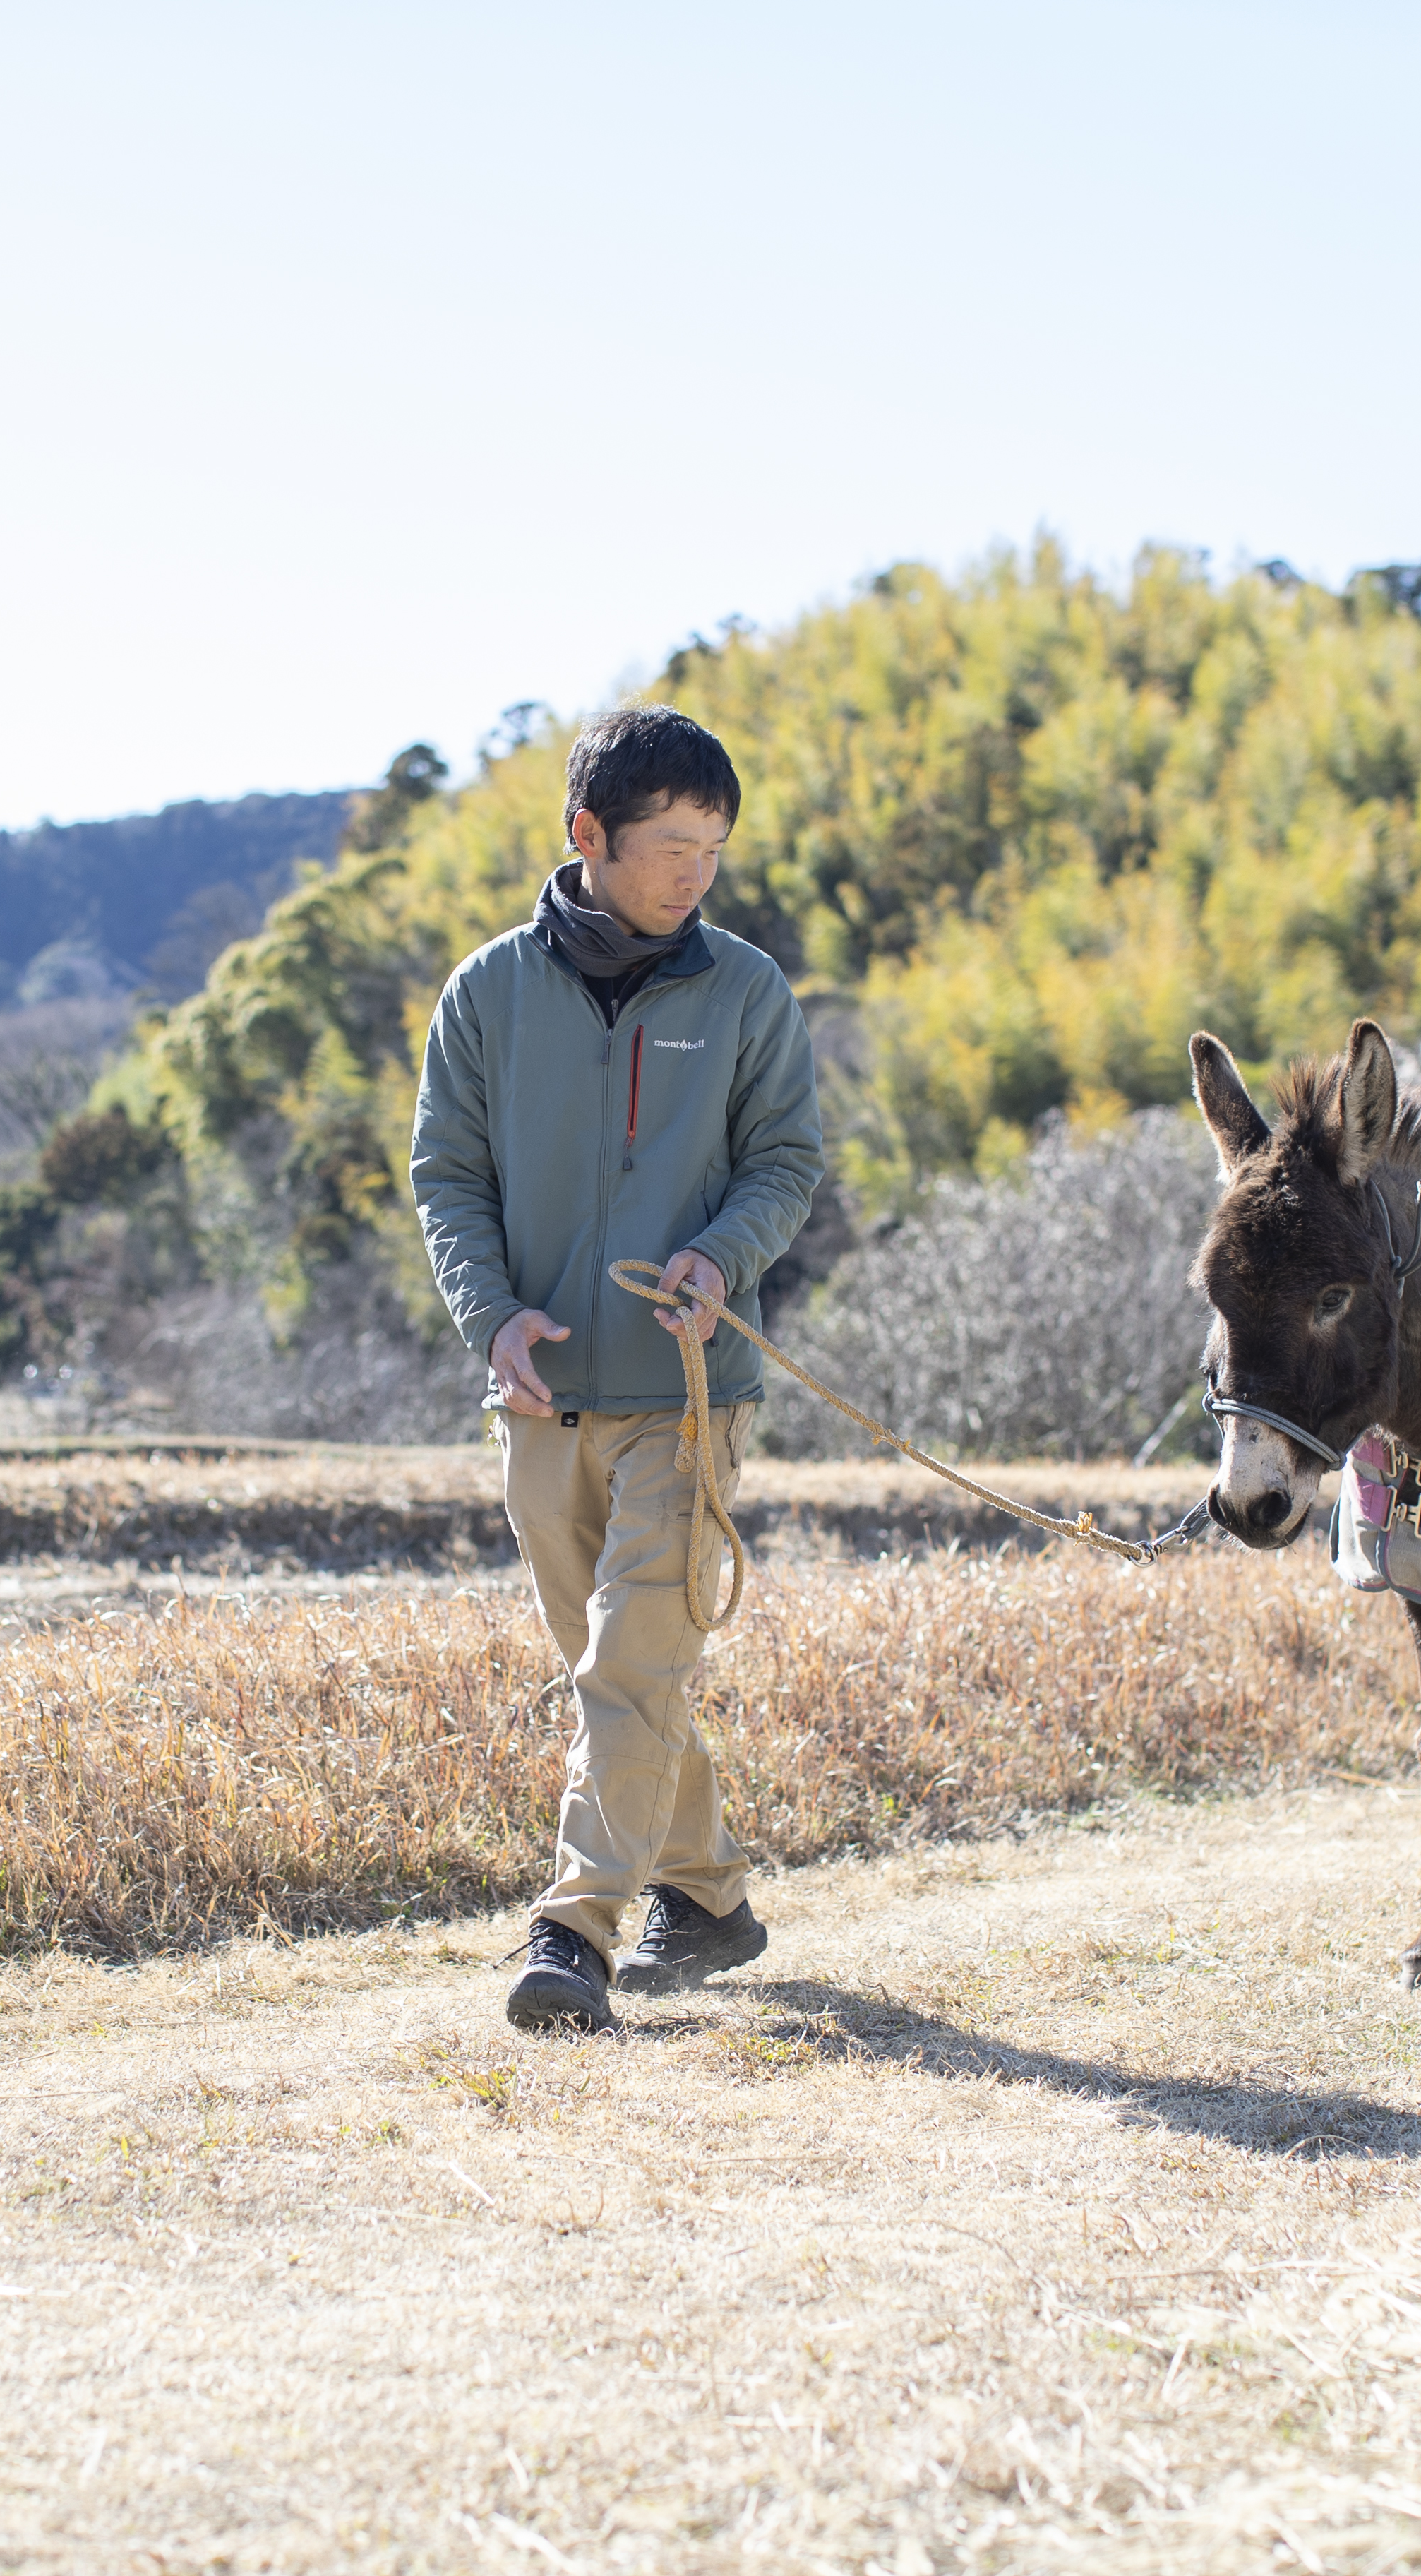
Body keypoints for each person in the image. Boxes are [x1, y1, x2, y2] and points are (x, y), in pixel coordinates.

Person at [409, 705, 825, 2032]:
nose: (694, 873)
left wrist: (720, 1255)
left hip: (691, 1396)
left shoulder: (748, 991)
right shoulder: (486, 995)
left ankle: (572, 1932)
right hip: (540, 1394)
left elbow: (786, 1164)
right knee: (616, 1673)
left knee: (633, 1663)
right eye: (669, 845)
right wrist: (491, 1316)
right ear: (588, 836)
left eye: (713, 846)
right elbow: (448, 1180)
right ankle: (707, 1897)